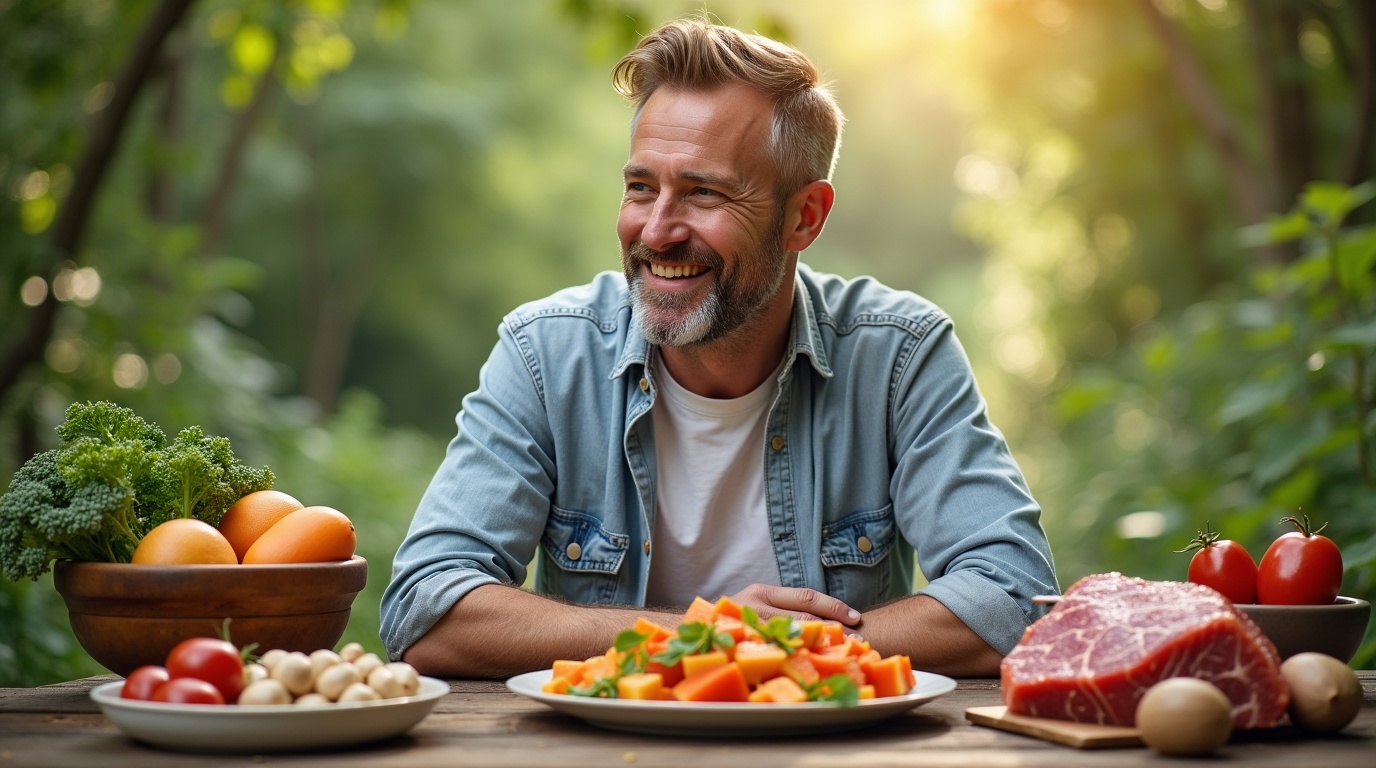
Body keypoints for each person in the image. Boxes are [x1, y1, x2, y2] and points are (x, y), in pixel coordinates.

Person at [381, 18, 1058, 679]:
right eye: (641, 188)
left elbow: (1013, 596)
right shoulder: (546, 353)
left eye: (703, 193)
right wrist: (712, 636)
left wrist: (775, 647)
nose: (657, 231)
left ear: (804, 218)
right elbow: (426, 609)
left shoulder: (899, 356)